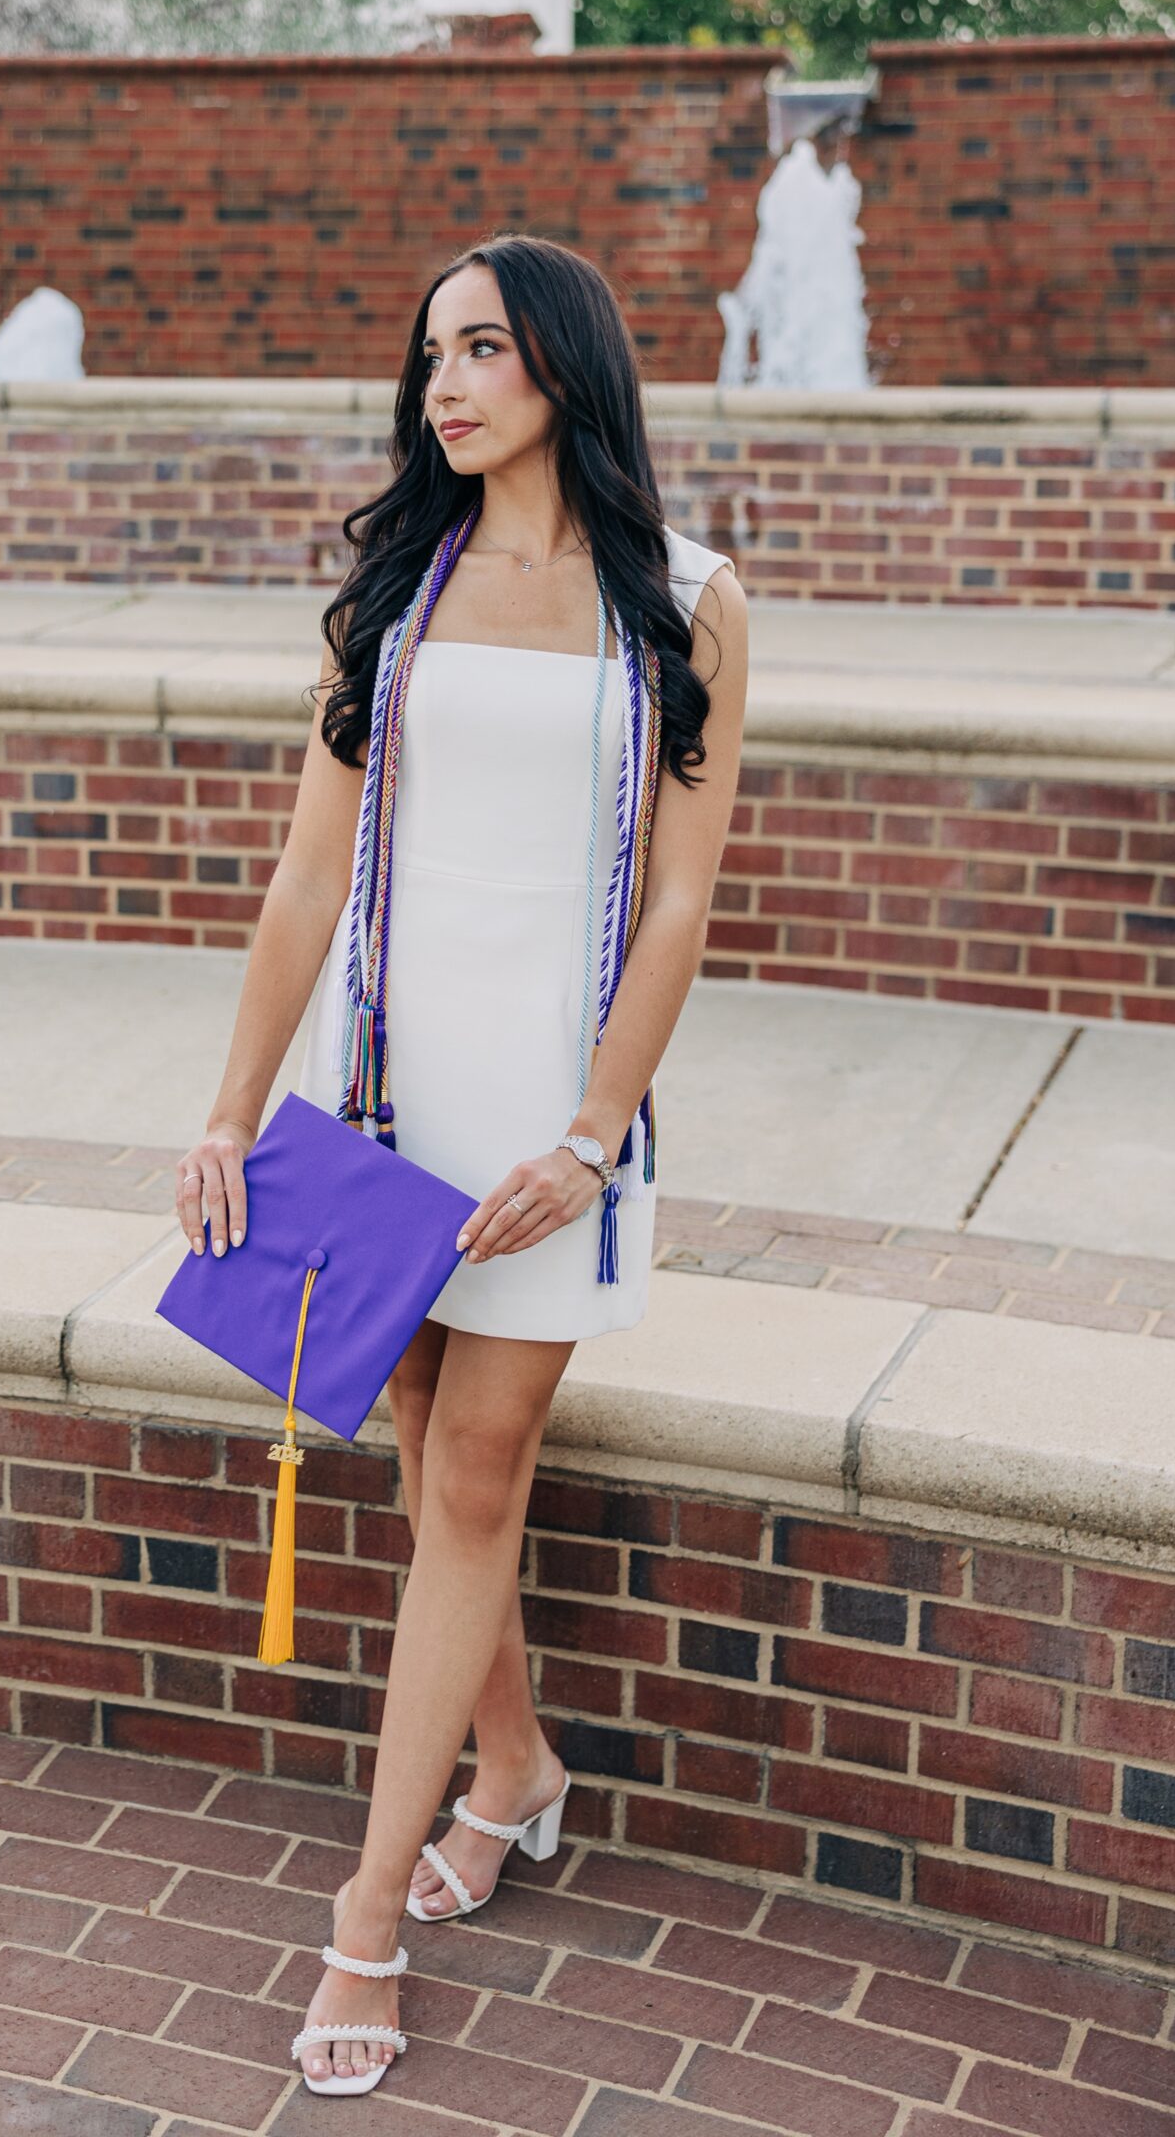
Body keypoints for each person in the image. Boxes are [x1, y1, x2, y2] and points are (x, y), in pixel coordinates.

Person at [172, 233, 748, 2097]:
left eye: (485, 347)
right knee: (425, 1453)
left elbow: (676, 905)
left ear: (567, 364)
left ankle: (357, 1928)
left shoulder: (688, 599)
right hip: (380, 1095)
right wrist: (233, 1107)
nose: (448, 382)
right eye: (430, 353)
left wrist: (593, 1135)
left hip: (548, 1117)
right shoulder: (398, 593)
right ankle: (513, 1772)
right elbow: (306, 873)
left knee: (477, 1468)